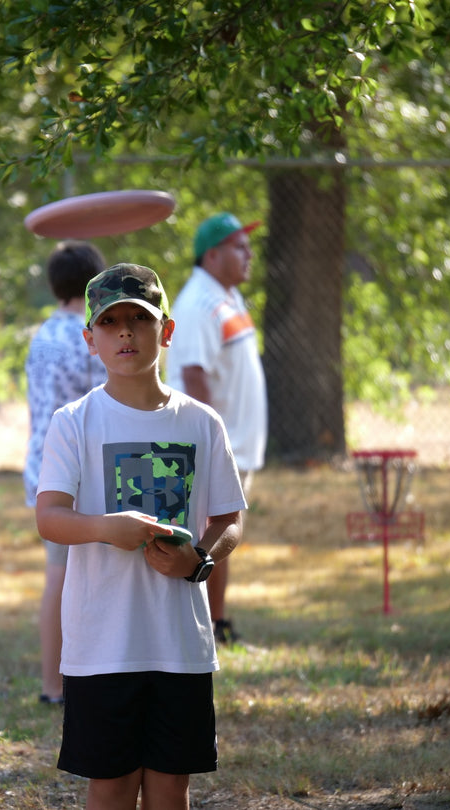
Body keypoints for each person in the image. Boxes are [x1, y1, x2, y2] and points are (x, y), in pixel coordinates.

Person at [36, 263, 245, 810]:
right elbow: (50, 517)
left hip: (180, 644)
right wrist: (109, 529)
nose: (125, 332)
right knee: (111, 784)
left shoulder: (201, 423)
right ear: (91, 340)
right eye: (110, 322)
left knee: (172, 785)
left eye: (139, 319)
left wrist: (199, 561)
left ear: (167, 331)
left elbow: (230, 520)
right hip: (102, 643)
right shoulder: (74, 422)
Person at [165, 212, 267, 646]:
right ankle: (205, 627)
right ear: (212, 254)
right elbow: (192, 375)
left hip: (239, 446)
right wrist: (211, 444)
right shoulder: (198, 303)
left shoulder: (227, 297)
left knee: (224, 534)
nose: (249, 254)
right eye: (238, 246)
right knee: (215, 533)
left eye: (248, 246)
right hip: (217, 448)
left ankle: (217, 623)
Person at [24, 240, 108, 706]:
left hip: (41, 465)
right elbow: (104, 407)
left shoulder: (41, 334)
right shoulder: (92, 336)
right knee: (64, 576)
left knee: (64, 574)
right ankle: (56, 685)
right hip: (75, 470)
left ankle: (62, 682)